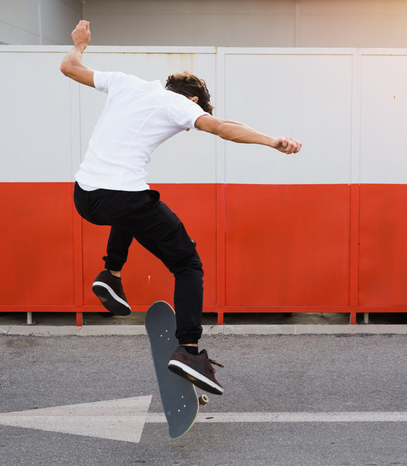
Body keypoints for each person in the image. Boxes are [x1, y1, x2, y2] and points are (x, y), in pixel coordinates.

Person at [61, 20, 302, 395]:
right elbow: (220, 128)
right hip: (122, 197)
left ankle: (110, 273)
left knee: (135, 202)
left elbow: (69, 67)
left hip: (84, 195)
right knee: (187, 264)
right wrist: (271, 141)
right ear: (191, 103)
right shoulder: (178, 104)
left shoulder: (127, 82)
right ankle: (188, 350)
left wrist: (79, 44)